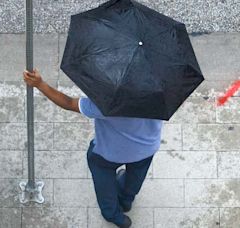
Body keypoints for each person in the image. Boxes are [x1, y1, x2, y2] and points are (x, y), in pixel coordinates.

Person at [23, 69, 163, 228]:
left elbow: (68, 103)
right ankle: (126, 200)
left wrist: (40, 84)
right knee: (135, 177)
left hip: (109, 154)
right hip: (146, 150)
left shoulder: (107, 102)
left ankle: (114, 216)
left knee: (103, 181)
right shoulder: (162, 93)